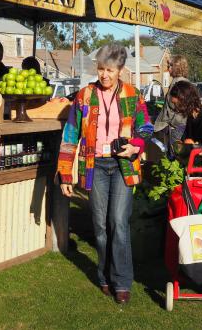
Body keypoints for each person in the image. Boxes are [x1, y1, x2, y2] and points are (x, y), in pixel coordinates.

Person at [57, 43, 153, 305]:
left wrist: (137, 144)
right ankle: (104, 275)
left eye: (110, 70)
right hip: (95, 166)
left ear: (120, 70)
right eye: (101, 69)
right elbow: (70, 135)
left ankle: (122, 282)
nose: (104, 75)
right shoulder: (84, 95)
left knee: (118, 224)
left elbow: (145, 126)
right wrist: (66, 174)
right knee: (100, 227)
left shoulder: (133, 94)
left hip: (123, 166)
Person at [153, 55, 189, 151]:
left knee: (173, 155)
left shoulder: (177, 84)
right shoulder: (185, 82)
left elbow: (177, 107)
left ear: (176, 67)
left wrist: (170, 124)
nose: (168, 69)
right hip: (180, 125)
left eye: (169, 66)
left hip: (176, 127)